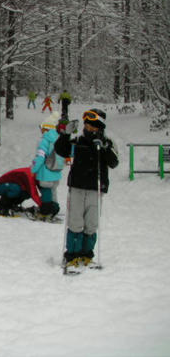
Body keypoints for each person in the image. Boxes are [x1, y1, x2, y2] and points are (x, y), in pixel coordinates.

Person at [54, 108, 119, 268]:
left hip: (96, 189)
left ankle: (86, 254)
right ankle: (72, 255)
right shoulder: (78, 140)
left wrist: (103, 147)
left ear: (100, 127)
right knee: (75, 221)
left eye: (93, 126)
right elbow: (61, 150)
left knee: (91, 223)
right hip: (77, 187)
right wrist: (65, 135)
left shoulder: (107, 142)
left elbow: (114, 162)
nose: (88, 128)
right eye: (87, 125)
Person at [30, 111, 66, 221]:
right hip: (56, 171)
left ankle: (46, 211)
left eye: (42, 128)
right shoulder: (59, 139)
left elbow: (40, 157)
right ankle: (55, 208)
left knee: (46, 192)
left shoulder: (45, 141)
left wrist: (33, 169)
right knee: (53, 191)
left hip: (45, 173)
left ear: (46, 128)